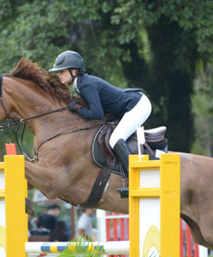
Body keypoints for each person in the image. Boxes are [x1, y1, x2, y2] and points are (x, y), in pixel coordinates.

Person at [49, 51, 152, 192]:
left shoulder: (85, 85)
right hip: (128, 105)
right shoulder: (81, 84)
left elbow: (96, 113)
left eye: (61, 71)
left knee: (115, 138)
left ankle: (134, 179)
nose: (58, 75)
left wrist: (78, 108)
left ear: (74, 71)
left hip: (138, 106)